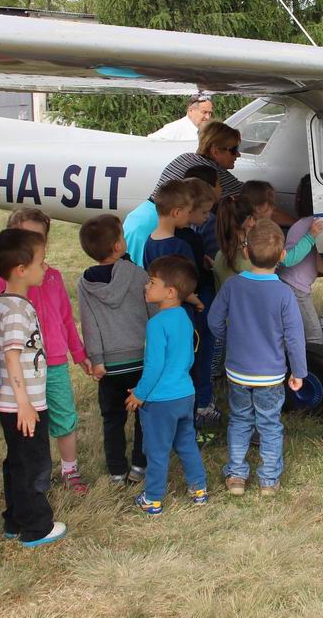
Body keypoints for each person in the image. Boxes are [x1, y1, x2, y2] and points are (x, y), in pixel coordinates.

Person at [0, 208, 89, 494]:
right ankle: (34, 478)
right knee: (30, 425)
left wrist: (79, 354)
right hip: (22, 370)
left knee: (64, 416)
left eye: (38, 237)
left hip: (53, 362)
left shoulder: (52, 277)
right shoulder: (1, 284)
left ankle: (70, 469)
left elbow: (66, 318)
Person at [208, 219, 307, 496]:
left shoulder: (232, 285)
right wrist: (299, 371)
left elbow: (214, 321)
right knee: (270, 424)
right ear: (283, 255)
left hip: (237, 371)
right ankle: (269, 481)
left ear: (246, 251)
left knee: (240, 420)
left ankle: (236, 475)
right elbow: (294, 337)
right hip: (271, 375)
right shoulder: (284, 293)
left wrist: (230, 339)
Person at [0, 228, 67, 547]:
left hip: (16, 404)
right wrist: (24, 404)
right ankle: (36, 527)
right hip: (24, 405)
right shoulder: (17, 311)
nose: (45, 267)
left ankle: (15, 519)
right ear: (21, 270)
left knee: (17, 462)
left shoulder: (8, 303)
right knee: (34, 465)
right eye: (41, 262)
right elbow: (12, 357)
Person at [127, 255, 209, 515]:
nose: (146, 286)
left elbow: (154, 366)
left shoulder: (156, 324)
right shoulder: (184, 317)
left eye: (152, 282)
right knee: (187, 444)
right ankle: (199, 489)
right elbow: (188, 357)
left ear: (170, 291)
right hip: (185, 394)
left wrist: (139, 394)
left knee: (157, 451)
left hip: (160, 401)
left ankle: (152, 499)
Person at [77, 215, 155, 485]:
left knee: (112, 419)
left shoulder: (85, 283)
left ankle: (116, 471)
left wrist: (97, 359)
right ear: (118, 246)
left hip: (108, 366)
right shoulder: (138, 274)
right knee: (145, 415)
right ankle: (140, 466)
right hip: (141, 360)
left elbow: (88, 323)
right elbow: (154, 314)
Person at [124, 122, 244, 266]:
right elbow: (250, 196)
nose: (238, 154)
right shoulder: (212, 172)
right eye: (234, 150)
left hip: (140, 218)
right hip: (152, 226)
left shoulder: (185, 157)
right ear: (215, 151)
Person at [177, 178, 223, 433]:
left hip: (189, 300)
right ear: (188, 209)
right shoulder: (187, 240)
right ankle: (202, 404)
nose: (208, 217)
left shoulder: (173, 237)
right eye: (204, 212)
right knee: (202, 350)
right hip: (197, 300)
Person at [278, 176, 323, 345]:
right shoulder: (317, 225)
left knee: (289, 332)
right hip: (296, 288)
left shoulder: (301, 223)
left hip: (286, 281)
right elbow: (321, 265)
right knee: (314, 336)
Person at [148, 93, 214, 141]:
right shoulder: (174, 128)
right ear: (190, 111)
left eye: (210, 113)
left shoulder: (207, 131)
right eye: (204, 112)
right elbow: (149, 142)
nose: (208, 117)